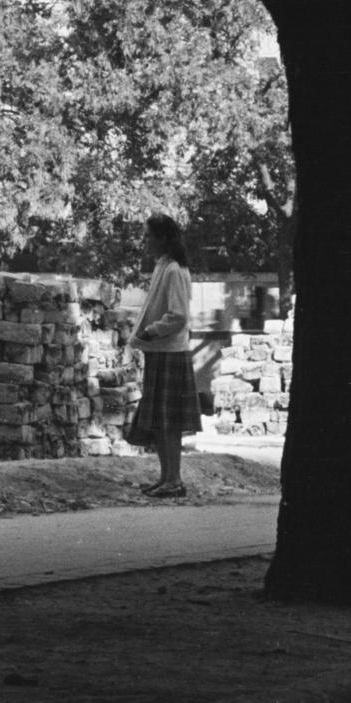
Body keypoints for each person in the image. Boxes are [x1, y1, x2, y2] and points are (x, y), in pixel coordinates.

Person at [126, 213, 202, 498]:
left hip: (170, 351)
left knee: (168, 422)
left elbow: (178, 316)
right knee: (160, 420)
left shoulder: (174, 270)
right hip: (160, 351)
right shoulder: (163, 266)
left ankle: (174, 480)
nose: (146, 241)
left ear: (162, 238)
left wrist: (151, 332)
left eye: (149, 236)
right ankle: (167, 477)